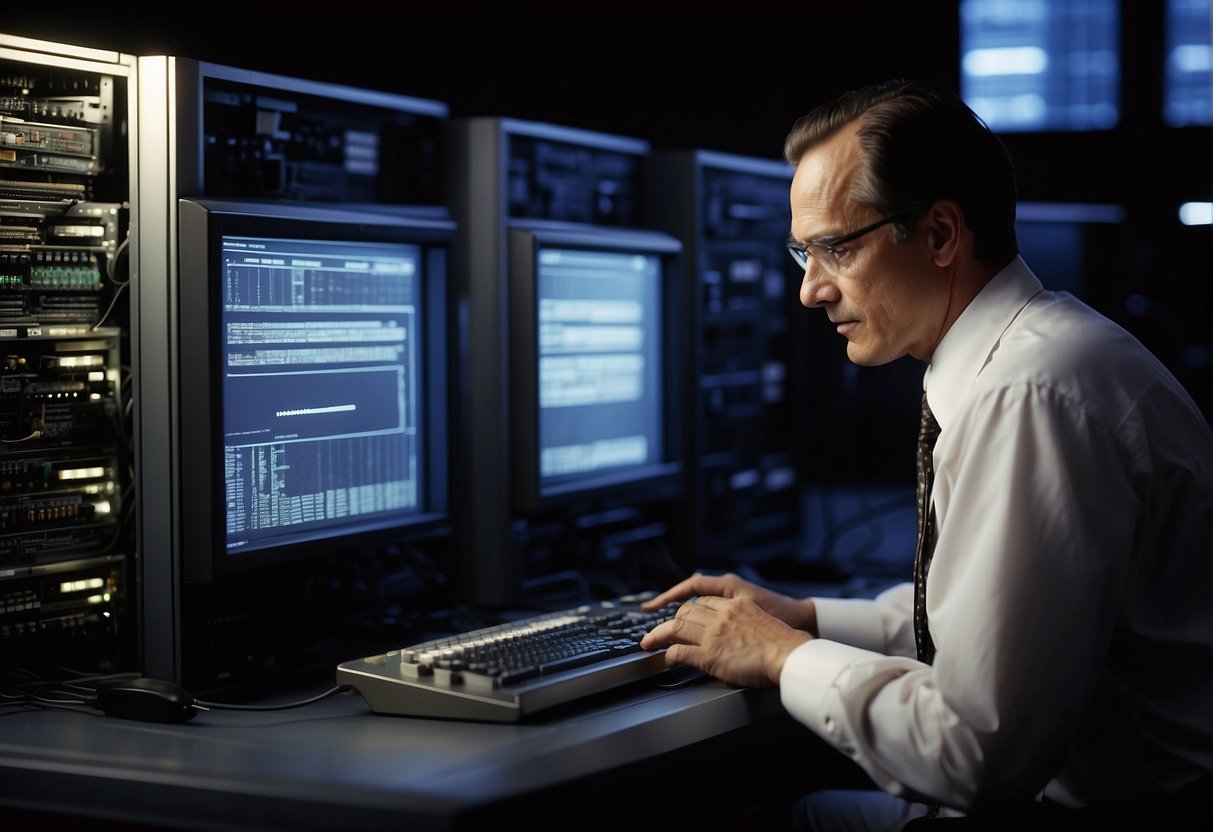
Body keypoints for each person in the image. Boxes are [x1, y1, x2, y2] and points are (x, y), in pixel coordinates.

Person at [639, 79, 1212, 830]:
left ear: (940, 235)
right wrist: (806, 618)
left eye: (837, 248)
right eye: (802, 252)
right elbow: (982, 622)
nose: (810, 290)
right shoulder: (1030, 355)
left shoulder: (1029, 395)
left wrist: (781, 656)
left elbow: (975, 751)